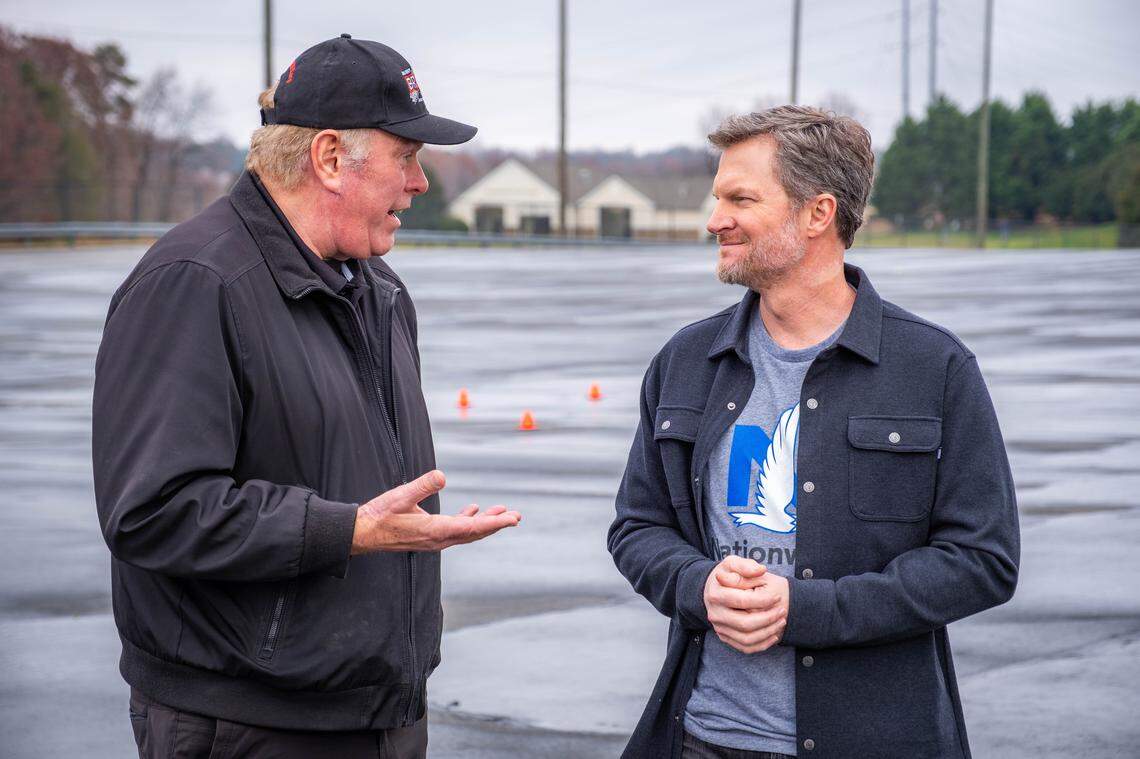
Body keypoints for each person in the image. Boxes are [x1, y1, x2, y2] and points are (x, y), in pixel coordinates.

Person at [92, 35, 520, 758]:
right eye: (406, 157)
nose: (419, 183)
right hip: (248, 724)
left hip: (375, 713)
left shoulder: (379, 289)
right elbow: (152, 511)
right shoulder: (196, 282)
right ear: (327, 157)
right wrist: (344, 529)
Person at [607, 106, 1019, 759]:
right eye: (718, 198)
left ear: (818, 213)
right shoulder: (685, 364)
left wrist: (809, 610)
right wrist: (698, 585)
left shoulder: (934, 369)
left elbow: (982, 561)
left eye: (741, 198)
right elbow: (638, 527)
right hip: (704, 736)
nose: (716, 219)